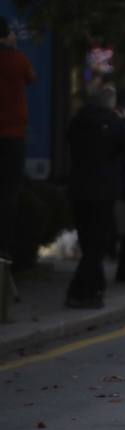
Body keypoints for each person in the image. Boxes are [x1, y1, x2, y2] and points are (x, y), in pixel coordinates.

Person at [65, 85, 125, 308]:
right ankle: (79, 290)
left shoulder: (78, 121)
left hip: (78, 187)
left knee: (88, 240)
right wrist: (122, 122)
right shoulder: (113, 123)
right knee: (99, 242)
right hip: (103, 189)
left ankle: (95, 286)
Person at [0, 16, 36, 261]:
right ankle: (4, 248)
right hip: (12, 136)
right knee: (9, 193)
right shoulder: (17, 60)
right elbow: (32, 78)